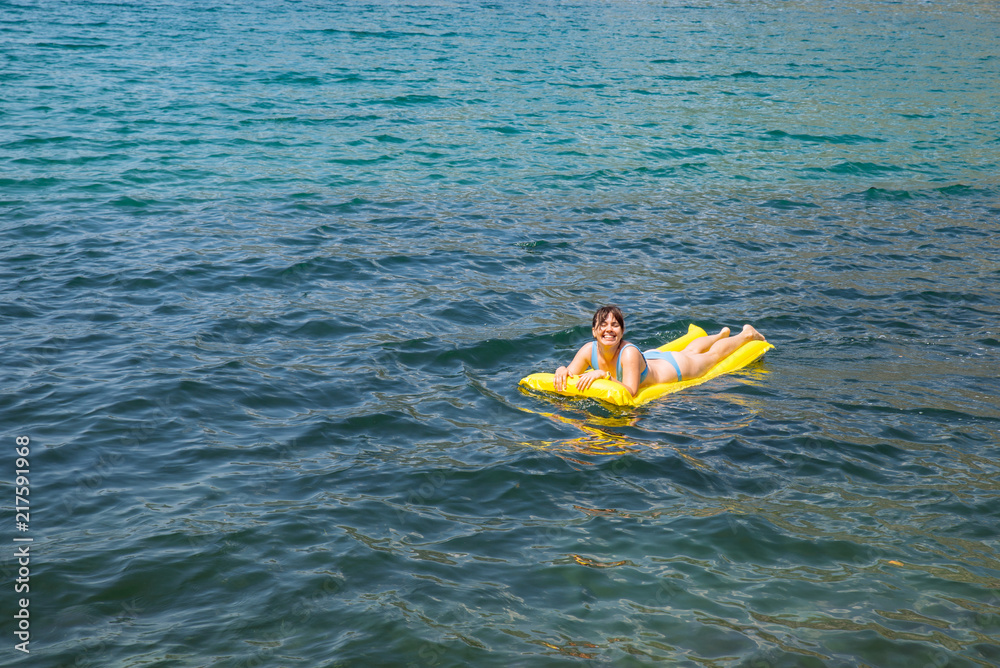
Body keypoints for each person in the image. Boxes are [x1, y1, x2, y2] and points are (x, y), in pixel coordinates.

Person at [554, 305, 766, 398]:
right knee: (690, 349)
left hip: (675, 368)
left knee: (710, 356)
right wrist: (562, 369)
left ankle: (745, 335)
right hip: (652, 359)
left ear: (622, 331)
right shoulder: (587, 350)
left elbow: (630, 391)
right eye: (603, 325)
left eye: (615, 325)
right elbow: (571, 374)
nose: (609, 329)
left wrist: (604, 375)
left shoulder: (627, 353)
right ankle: (719, 335)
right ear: (594, 331)